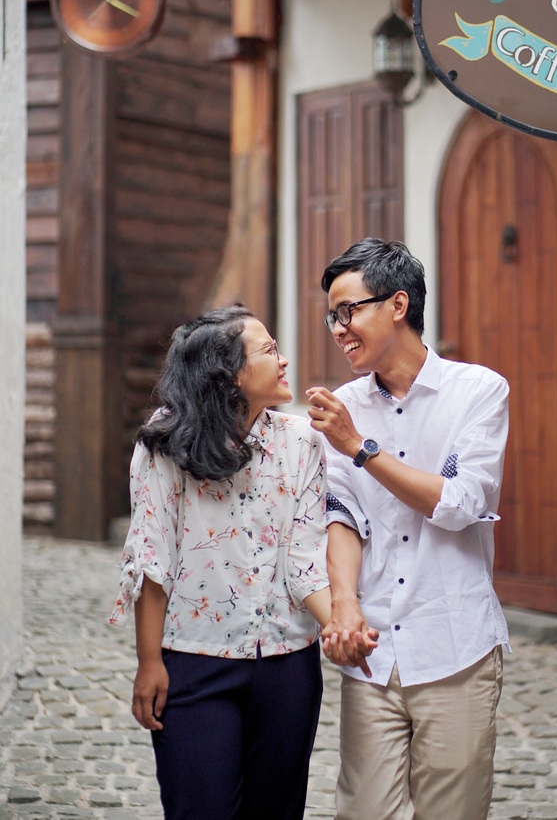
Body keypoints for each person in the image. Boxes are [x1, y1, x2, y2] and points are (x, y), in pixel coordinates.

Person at [306, 238, 510, 820]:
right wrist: (343, 605)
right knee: (362, 813)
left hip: (455, 645)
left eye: (349, 311)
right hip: (373, 651)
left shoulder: (479, 391)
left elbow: (460, 502)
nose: (338, 328)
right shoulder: (344, 404)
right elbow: (341, 514)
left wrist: (360, 447)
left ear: (398, 305)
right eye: (332, 317)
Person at [109, 305, 336, 820]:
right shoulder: (162, 445)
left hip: (288, 666)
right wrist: (150, 662)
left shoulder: (301, 442)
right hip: (193, 660)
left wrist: (339, 625)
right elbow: (152, 559)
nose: (283, 361)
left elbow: (304, 558)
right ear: (228, 373)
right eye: (269, 351)